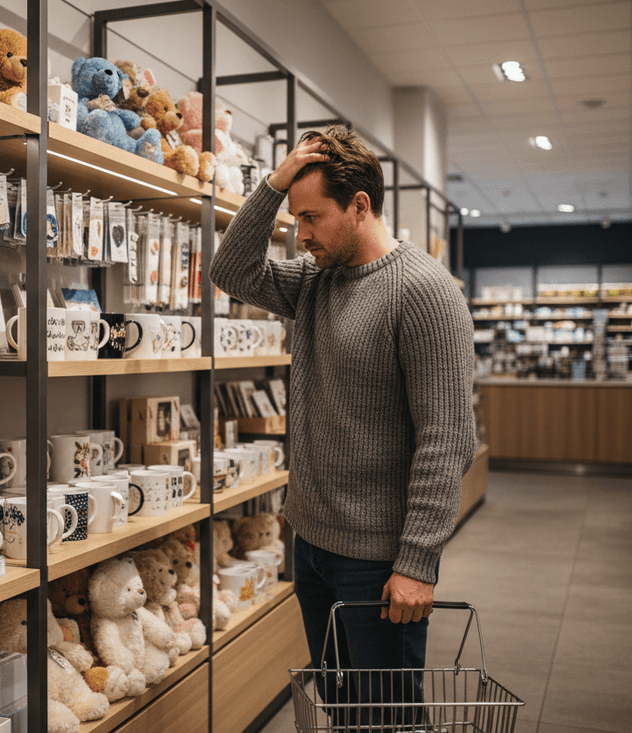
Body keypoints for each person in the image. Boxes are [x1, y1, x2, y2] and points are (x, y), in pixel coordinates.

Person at [210, 126, 475, 725]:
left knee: (388, 719)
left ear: (360, 206)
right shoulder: (315, 281)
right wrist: (275, 184)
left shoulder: (424, 292)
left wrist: (417, 562)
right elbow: (230, 268)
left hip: (380, 561)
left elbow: (447, 439)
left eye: (311, 217)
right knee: (344, 712)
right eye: (294, 219)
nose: (300, 236)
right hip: (312, 546)